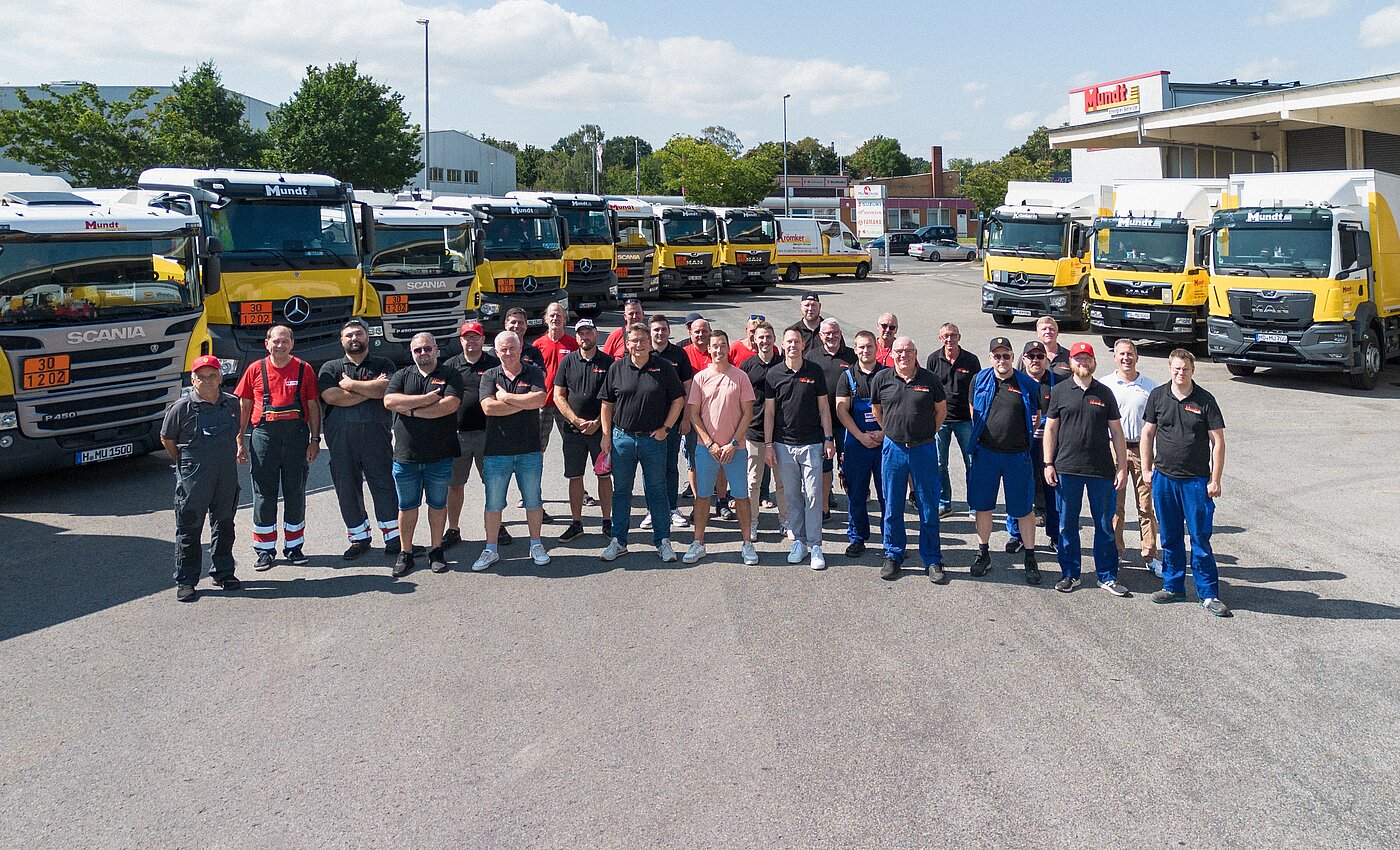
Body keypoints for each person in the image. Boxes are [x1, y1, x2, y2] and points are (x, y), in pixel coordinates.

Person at [1141, 349, 1230, 617]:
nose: (1181, 373)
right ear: (1170, 368)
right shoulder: (1158, 395)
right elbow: (1147, 434)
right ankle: (1173, 586)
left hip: (1196, 482)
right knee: (1169, 536)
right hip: (1164, 479)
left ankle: (1208, 593)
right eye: (1177, 369)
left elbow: (1218, 442)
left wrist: (1215, 479)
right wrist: (1147, 469)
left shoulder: (1205, 400)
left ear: (1193, 371)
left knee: (1200, 538)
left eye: (1186, 369)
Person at [1043, 341, 1130, 596]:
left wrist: (1122, 466)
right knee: (1066, 525)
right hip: (1066, 469)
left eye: (1087, 359)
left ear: (1094, 362)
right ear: (1070, 363)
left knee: (1104, 525)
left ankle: (1107, 576)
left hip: (1101, 471)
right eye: (1078, 359)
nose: (1083, 363)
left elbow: (1116, 432)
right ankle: (1070, 574)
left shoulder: (1104, 393)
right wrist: (1048, 463)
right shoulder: (1059, 391)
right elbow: (1051, 428)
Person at [234, 325, 321, 570]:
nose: (280, 345)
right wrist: (239, 440)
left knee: (295, 492)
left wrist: (315, 440)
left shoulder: (305, 369)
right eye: (276, 341)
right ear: (267, 343)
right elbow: (244, 406)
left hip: (296, 436)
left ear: (292, 344)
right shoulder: (255, 369)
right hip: (264, 436)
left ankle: (294, 546)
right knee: (264, 495)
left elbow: (314, 406)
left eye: (285, 341)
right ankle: (264, 550)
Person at [599, 322, 686, 562]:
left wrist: (666, 428)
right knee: (622, 492)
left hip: (653, 440)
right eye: (634, 341)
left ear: (650, 344)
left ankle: (663, 541)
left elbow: (678, 400)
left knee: (657, 490)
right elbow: (607, 404)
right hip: (622, 439)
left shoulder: (664, 367)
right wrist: (606, 435)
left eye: (643, 341)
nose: (639, 345)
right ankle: (619, 541)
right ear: (627, 344)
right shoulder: (617, 368)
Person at [382, 333, 464, 576]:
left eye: (427, 348)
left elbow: (448, 406)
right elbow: (389, 401)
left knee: (437, 505)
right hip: (406, 457)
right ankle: (405, 553)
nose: (423, 353)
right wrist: (427, 399)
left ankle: (436, 550)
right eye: (418, 350)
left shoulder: (450, 374)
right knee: (407, 506)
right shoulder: (401, 375)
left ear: (436, 349)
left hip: (440, 455)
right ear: (412, 352)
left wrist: (412, 410)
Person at [162, 354, 242, 601]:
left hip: (225, 476)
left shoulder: (231, 404)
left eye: (212, 375)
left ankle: (224, 572)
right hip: (194, 478)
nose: (207, 381)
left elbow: (237, 431)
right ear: (193, 379)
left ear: (220, 377)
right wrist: (185, 464)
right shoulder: (181, 408)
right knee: (189, 529)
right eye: (201, 376)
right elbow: (168, 440)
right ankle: (186, 580)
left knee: (225, 525)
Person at [318, 320, 400, 560]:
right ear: (341, 341)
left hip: (377, 436)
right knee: (347, 489)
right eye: (349, 335)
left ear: (367, 337)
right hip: (341, 439)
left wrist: (352, 386)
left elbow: (385, 389)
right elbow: (332, 396)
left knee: (383, 484)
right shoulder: (330, 368)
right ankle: (358, 538)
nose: (355, 339)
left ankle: (393, 536)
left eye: (359, 334)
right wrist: (370, 389)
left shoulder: (384, 363)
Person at [471, 331, 552, 572]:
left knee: (533, 500)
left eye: (512, 348)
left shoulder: (533, 372)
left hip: (529, 450)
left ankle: (536, 544)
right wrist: (521, 402)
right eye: (503, 349)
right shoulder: (489, 375)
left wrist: (506, 397)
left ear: (520, 349)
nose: (508, 353)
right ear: (496, 352)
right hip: (497, 452)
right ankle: (491, 549)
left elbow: (539, 400)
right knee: (494, 504)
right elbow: (488, 408)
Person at [872, 337, 948, 582]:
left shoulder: (930, 380)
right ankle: (893, 554)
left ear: (916, 353)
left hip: (923, 449)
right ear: (891, 353)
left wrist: (925, 433)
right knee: (892, 505)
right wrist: (893, 432)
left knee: (928, 505)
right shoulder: (881, 379)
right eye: (899, 351)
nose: (903, 354)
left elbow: (941, 411)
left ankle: (932, 558)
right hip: (893, 449)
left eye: (908, 351)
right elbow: (877, 411)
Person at [967, 337, 1042, 585]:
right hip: (986, 454)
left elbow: (1037, 415)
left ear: (1013, 357)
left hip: (1017, 455)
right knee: (983, 506)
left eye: (1006, 356)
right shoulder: (979, 380)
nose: (1002, 360)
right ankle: (983, 553)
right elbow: (973, 412)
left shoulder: (1027, 384)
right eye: (997, 356)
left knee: (1023, 509)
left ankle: (1030, 556)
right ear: (990, 358)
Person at [684, 328, 759, 566]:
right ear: (709, 348)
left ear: (728, 348)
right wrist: (709, 443)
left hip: (735, 450)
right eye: (714, 346)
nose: (718, 350)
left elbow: (748, 413)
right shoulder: (700, 378)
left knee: (741, 496)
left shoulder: (740, 377)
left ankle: (747, 544)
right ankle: (698, 543)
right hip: (707, 449)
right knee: (703, 496)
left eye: (722, 345)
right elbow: (694, 414)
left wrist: (733, 443)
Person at [764, 327, 834, 570]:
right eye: (788, 342)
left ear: (803, 345)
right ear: (782, 345)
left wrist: (828, 438)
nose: (793, 345)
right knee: (793, 496)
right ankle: (799, 542)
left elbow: (824, 407)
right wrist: (768, 444)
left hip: (813, 443)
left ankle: (816, 545)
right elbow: (770, 412)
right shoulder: (774, 374)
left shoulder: (814, 371)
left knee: (814, 496)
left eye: (796, 341)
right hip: (784, 445)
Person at [442, 321, 509, 549]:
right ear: (461, 340)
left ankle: (497, 526)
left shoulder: (493, 364)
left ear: (483, 340)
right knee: (455, 485)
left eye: (476, 337)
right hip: (458, 436)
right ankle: (453, 529)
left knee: (492, 484)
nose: (471, 341)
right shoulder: (450, 367)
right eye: (467, 337)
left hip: (489, 434)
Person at [553, 318, 615, 542]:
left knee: (604, 476)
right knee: (575, 476)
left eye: (589, 332)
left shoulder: (608, 363)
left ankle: (607, 522)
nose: (585, 337)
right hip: (573, 431)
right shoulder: (567, 361)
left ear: (597, 335)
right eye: (581, 333)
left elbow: (614, 398)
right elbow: (558, 395)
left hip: (601, 431)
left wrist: (598, 422)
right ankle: (576, 523)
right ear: (576, 336)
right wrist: (576, 420)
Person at [1107, 339, 1164, 575]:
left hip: (1142, 449)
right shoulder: (1106, 385)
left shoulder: (1151, 387)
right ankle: (1116, 552)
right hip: (1113, 449)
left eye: (1130, 354)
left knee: (1146, 505)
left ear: (1137, 357)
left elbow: (1158, 423)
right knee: (1115, 505)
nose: (1126, 358)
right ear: (1115, 357)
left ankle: (1150, 555)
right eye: (1121, 354)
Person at [834, 330, 886, 558]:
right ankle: (857, 538)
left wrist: (885, 433)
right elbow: (841, 411)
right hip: (857, 444)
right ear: (855, 350)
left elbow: (896, 408)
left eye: (870, 347)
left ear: (876, 348)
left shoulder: (887, 374)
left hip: (884, 443)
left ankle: (891, 539)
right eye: (861, 347)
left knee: (888, 494)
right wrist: (860, 436)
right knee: (856, 494)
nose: (866, 351)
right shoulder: (847, 377)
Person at [1006, 340, 1060, 554]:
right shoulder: (1014, 382)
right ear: (1023, 359)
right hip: (1021, 446)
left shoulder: (1058, 382)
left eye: (1040, 357)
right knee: (1019, 489)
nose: (1036, 361)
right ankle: (1016, 535)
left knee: (1053, 492)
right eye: (1031, 357)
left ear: (1046, 360)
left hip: (1049, 448)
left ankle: (1055, 536)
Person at [927, 322, 980, 518]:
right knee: (940, 463)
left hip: (965, 420)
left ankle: (975, 504)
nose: (950, 339)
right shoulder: (933, 359)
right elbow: (929, 390)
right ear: (941, 339)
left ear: (959, 337)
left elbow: (978, 390)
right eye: (946, 336)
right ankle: (944, 503)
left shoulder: (971, 360)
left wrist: (977, 418)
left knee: (972, 463)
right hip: (941, 420)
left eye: (953, 335)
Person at [806, 318, 856, 523]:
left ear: (840, 333)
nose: (831, 336)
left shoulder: (851, 356)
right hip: (821, 423)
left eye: (835, 332)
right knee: (824, 466)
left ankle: (855, 505)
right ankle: (824, 507)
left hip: (847, 422)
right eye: (827, 333)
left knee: (849, 466)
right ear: (820, 336)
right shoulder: (811, 356)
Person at [647, 314, 694, 531]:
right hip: (647, 424)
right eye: (656, 329)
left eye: (663, 329)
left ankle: (672, 508)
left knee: (670, 466)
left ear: (668, 331)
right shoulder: (643, 353)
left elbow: (688, 388)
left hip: (673, 422)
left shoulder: (679, 354)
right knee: (650, 469)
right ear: (650, 332)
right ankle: (652, 510)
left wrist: (685, 419)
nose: (660, 333)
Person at [740, 321, 786, 535]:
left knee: (783, 482)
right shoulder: (747, 367)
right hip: (755, 431)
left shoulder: (784, 364)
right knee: (753, 482)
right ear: (754, 340)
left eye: (768, 337)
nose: (765, 341)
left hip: (782, 433)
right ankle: (753, 522)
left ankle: (786, 522)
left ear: (774, 339)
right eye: (761, 337)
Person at [531, 301, 578, 455]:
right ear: (545, 319)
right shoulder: (538, 345)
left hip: (565, 403)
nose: (555, 318)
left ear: (565, 319)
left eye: (559, 315)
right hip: (543, 402)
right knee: (537, 446)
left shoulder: (573, 344)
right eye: (552, 315)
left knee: (571, 445)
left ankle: (574, 475)